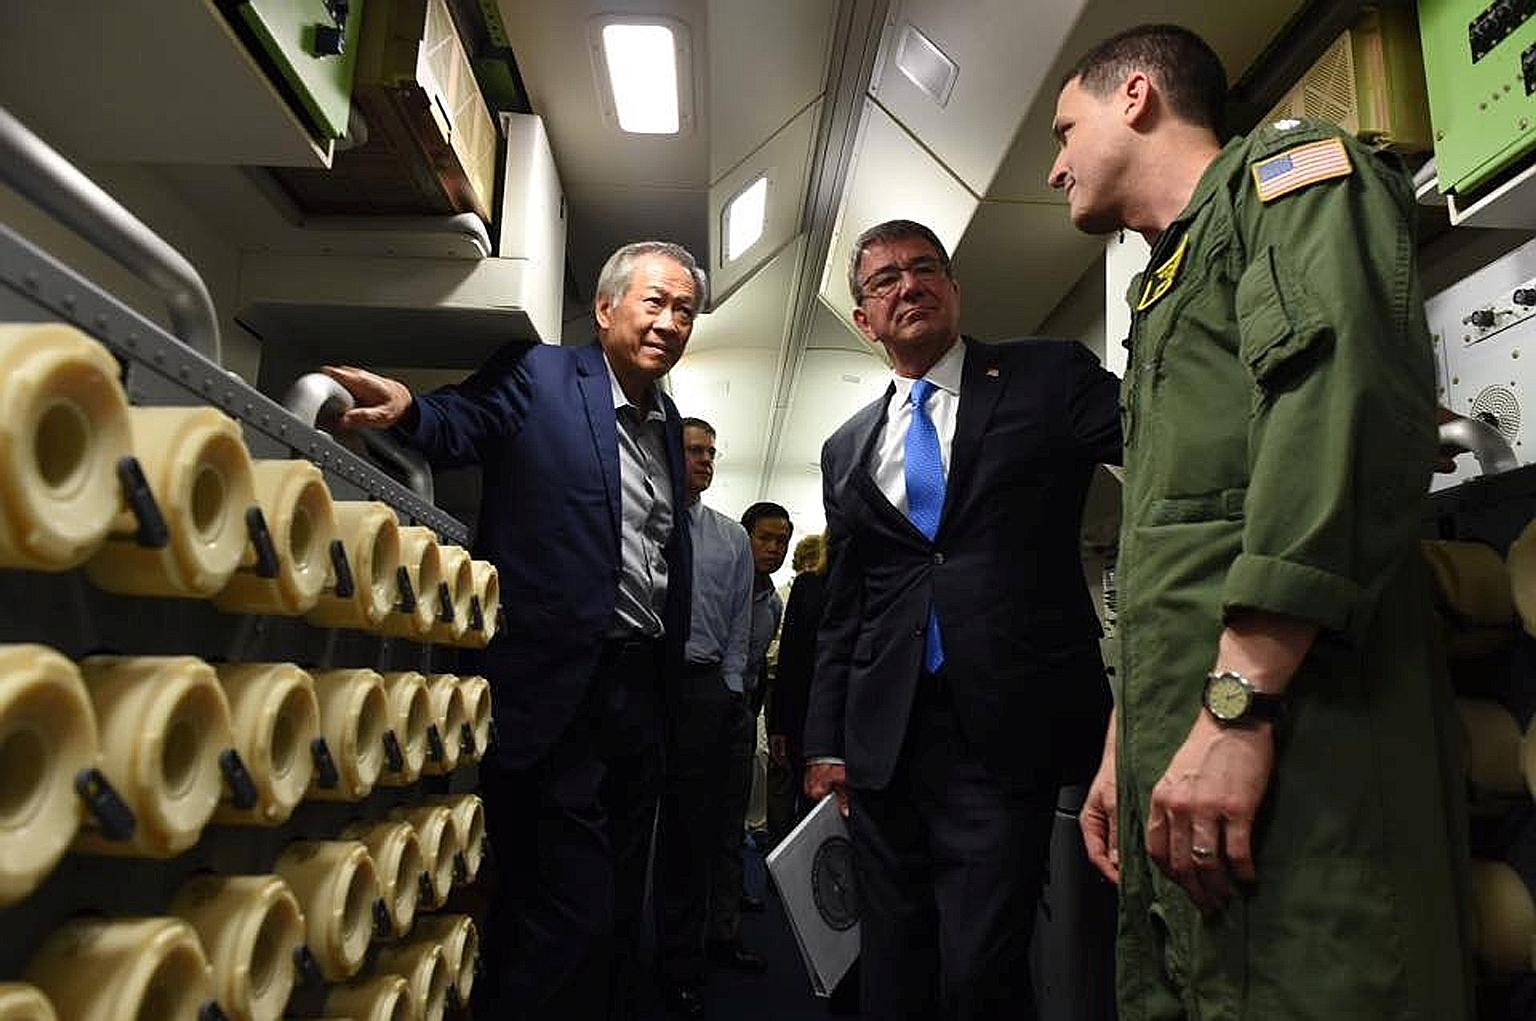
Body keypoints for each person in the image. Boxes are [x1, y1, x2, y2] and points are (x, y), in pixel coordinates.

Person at [1049, 24, 1473, 1019]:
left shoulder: (1291, 181)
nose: (1055, 162)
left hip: (1307, 747)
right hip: (1195, 739)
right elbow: (1177, 549)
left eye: (1066, 128)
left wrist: (1237, 709)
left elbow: (1342, 415)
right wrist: (1129, 740)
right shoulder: (1165, 283)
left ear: (1135, 97)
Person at [322, 240, 706, 1020]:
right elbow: (466, 417)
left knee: (613, 913)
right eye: (655, 302)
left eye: (686, 311)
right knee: (569, 911)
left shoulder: (667, 426)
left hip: (637, 701)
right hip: (553, 693)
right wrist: (412, 408)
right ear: (605, 310)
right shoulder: (543, 376)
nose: (670, 322)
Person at [802, 218, 1121, 1020]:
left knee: (980, 968)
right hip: (884, 744)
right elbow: (849, 607)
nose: (907, 285)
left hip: (1003, 730)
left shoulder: (1043, 376)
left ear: (953, 288)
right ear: (863, 316)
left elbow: (1173, 431)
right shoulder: (846, 448)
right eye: (883, 281)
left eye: (924, 268)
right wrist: (826, 740)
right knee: (894, 962)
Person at [654, 417, 754, 1018]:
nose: (705, 461)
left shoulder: (730, 538)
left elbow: (740, 619)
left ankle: (681, 963)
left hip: (706, 689)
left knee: (695, 836)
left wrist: (732, 686)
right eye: (694, 450)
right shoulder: (648, 523)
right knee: (640, 829)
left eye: (712, 452)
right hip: (647, 685)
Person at [707, 501, 791, 965]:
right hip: (704, 716)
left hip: (739, 716)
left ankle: (725, 926)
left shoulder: (772, 605)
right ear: (745, 538)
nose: (774, 549)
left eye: (782, 541)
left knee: (732, 824)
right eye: (765, 538)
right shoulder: (722, 585)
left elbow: (757, 668)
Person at [766, 533, 828, 846]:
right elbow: (790, 658)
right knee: (791, 786)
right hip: (802, 707)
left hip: (828, 711)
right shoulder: (806, 587)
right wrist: (778, 724)